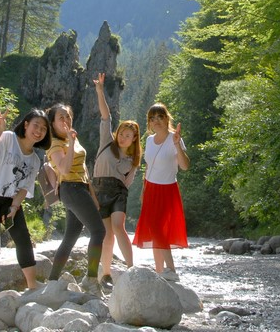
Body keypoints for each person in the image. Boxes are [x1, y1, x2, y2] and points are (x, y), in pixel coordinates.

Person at [0, 107, 51, 307]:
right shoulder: (7, 138)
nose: (39, 131)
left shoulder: (35, 160)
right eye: (36, 125)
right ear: (26, 125)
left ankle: (32, 286)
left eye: (43, 128)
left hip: (9, 200)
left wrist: (15, 206)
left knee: (23, 239)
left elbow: (24, 188)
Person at [45, 102, 106, 297]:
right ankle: (91, 279)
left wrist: (93, 196)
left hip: (80, 188)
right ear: (52, 123)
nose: (66, 120)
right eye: (61, 117)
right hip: (70, 188)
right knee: (98, 231)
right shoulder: (54, 144)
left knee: (70, 238)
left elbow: (84, 170)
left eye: (68, 116)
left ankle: (52, 281)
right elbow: (64, 169)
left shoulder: (72, 138)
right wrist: (71, 143)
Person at [91, 73, 141, 288]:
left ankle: (131, 269)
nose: (123, 137)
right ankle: (106, 274)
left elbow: (127, 184)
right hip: (99, 190)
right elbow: (106, 116)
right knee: (107, 235)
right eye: (121, 133)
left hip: (118, 193)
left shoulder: (133, 160)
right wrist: (100, 91)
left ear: (134, 139)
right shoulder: (106, 142)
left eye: (128, 136)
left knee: (119, 227)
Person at [132, 102, 190, 281]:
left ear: (167, 119)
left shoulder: (175, 139)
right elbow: (149, 166)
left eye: (160, 117)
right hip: (150, 189)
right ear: (149, 122)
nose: (156, 121)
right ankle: (159, 272)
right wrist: (143, 189)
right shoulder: (149, 140)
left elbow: (185, 166)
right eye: (152, 118)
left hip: (167, 189)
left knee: (158, 229)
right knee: (154, 230)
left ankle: (171, 270)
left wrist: (177, 145)